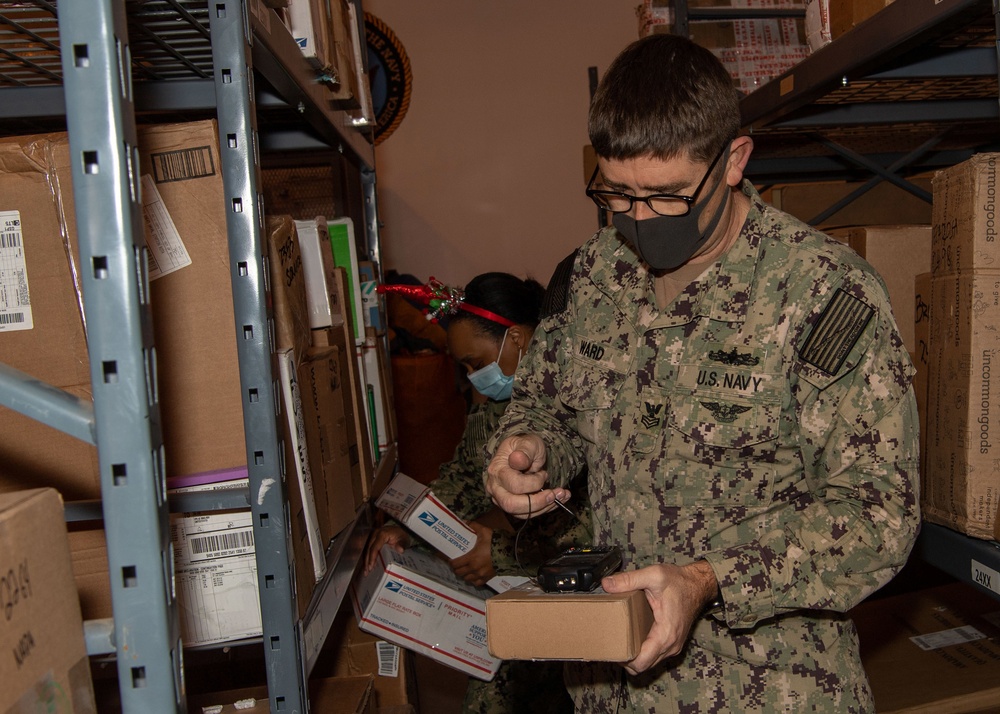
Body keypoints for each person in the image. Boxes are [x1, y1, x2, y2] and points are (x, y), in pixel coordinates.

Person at [484, 34, 920, 713]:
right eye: (617, 194)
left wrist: (710, 578)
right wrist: (530, 454)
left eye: (665, 196)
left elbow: (879, 518)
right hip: (610, 681)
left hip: (769, 688)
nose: (638, 219)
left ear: (733, 161)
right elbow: (550, 408)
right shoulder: (593, 274)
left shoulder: (822, 294)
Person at [366, 272, 591, 714]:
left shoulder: (573, 409)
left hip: (576, 615)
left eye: (475, 362)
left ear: (519, 340)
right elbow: (462, 480)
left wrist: (502, 551)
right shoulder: (493, 415)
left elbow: (595, 523)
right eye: (465, 368)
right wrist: (406, 527)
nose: (472, 378)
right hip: (520, 610)